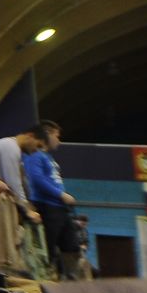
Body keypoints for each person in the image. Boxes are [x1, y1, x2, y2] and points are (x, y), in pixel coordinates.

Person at [25, 119, 86, 280]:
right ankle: (48, 278)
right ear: (48, 134)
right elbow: (37, 179)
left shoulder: (48, 158)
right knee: (49, 246)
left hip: (60, 209)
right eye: (57, 136)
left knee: (71, 245)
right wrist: (61, 195)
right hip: (48, 206)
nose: (59, 140)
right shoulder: (35, 156)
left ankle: (72, 279)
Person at [0, 129, 44, 279]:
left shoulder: (14, 149)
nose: (35, 150)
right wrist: (26, 209)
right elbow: (13, 182)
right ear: (30, 136)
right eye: (37, 145)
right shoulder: (10, 147)